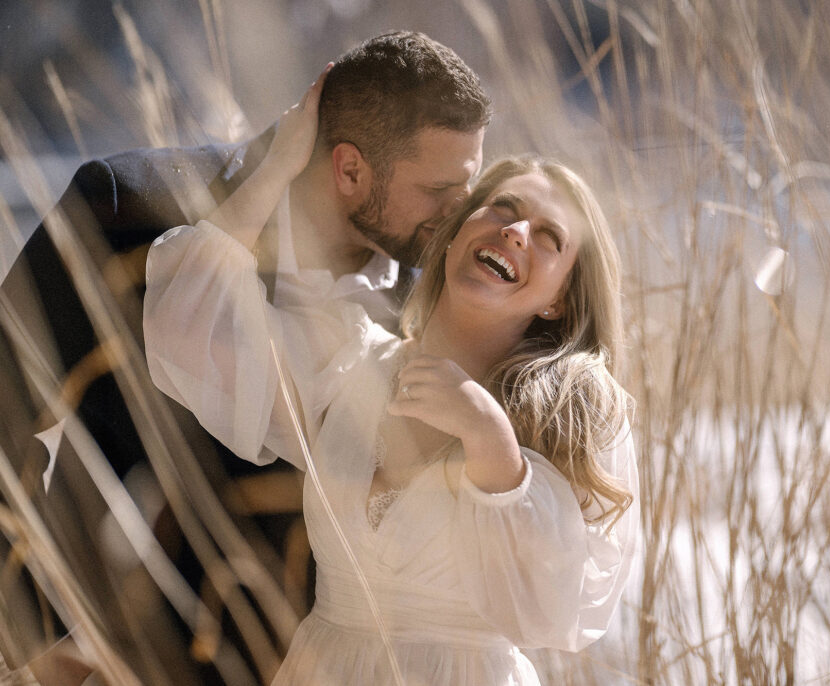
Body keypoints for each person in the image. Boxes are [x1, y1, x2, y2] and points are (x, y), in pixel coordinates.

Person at [0, 31, 490, 684]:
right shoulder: (125, 209)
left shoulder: (428, 301)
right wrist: (28, 636)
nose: (464, 214)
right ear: (349, 170)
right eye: (441, 189)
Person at [143, 70, 638, 685]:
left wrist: (491, 444)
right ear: (455, 236)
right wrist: (276, 168)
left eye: (548, 237)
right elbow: (190, 329)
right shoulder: (350, 362)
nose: (515, 231)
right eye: (503, 210)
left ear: (558, 300)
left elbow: (556, 614)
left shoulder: (575, 414)